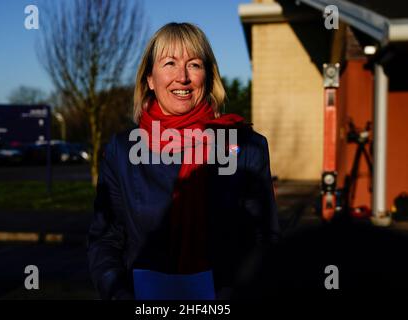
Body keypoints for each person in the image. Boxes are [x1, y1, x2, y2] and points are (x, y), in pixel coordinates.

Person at [87, 22, 280, 300]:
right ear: (150, 79)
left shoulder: (247, 146)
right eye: (169, 63)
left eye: (194, 64)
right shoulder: (121, 151)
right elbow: (106, 239)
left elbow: (264, 239)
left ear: (209, 76)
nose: (182, 77)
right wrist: (119, 293)